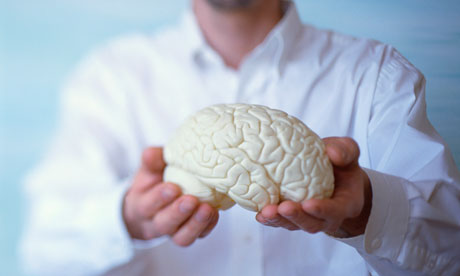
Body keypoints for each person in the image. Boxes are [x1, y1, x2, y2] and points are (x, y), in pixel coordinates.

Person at [20, 0, 460, 275]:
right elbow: (41, 253)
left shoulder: (374, 75)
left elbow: (453, 252)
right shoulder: (112, 78)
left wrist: (367, 210)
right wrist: (128, 221)